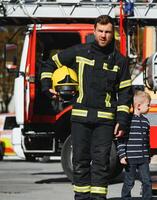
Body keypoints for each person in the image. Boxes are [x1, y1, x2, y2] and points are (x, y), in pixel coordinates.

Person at [40, 15, 133, 200]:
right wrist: (46, 85)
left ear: (112, 33)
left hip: (105, 121)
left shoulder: (120, 61)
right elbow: (51, 62)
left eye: (107, 32)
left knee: (101, 163)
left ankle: (98, 198)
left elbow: (125, 94)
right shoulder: (79, 51)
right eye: (100, 31)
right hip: (80, 118)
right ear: (94, 31)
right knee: (80, 162)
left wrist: (122, 122)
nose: (104, 35)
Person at [117, 90, 152, 200]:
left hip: (143, 158)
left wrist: (148, 154)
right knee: (129, 181)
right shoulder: (127, 121)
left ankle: (147, 198)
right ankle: (125, 198)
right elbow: (121, 139)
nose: (149, 107)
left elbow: (147, 141)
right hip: (130, 159)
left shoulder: (146, 122)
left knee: (147, 181)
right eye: (148, 105)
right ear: (138, 106)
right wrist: (122, 155)